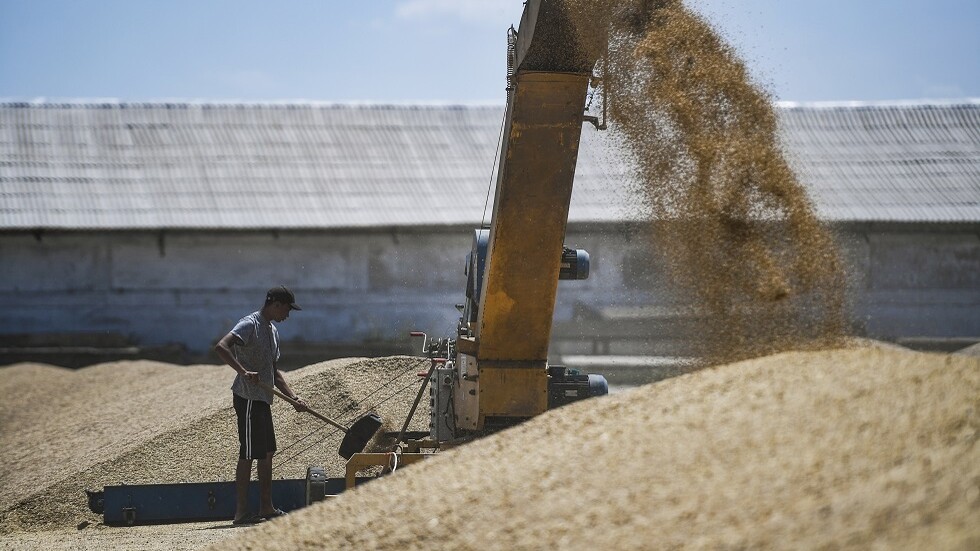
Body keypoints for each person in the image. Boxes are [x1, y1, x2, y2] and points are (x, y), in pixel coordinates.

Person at [214, 285, 308, 525]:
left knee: (267, 453)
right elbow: (221, 347)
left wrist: (293, 397)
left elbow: (275, 374)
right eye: (287, 309)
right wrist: (244, 372)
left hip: (263, 399)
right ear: (275, 304)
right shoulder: (250, 324)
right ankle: (241, 512)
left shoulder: (273, 332)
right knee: (248, 453)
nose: (288, 314)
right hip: (247, 398)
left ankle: (266, 507)